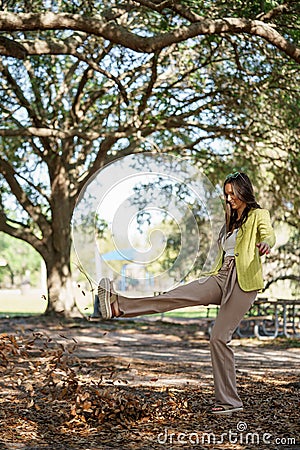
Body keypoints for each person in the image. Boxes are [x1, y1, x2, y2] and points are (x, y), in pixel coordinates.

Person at [92, 172, 276, 415]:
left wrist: (266, 244)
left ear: (244, 191)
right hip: (220, 277)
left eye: (233, 193)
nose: (229, 198)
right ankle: (118, 307)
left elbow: (268, 234)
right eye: (226, 194)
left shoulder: (257, 215)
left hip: (243, 284)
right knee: (173, 296)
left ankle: (230, 402)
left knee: (218, 338)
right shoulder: (230, 222)